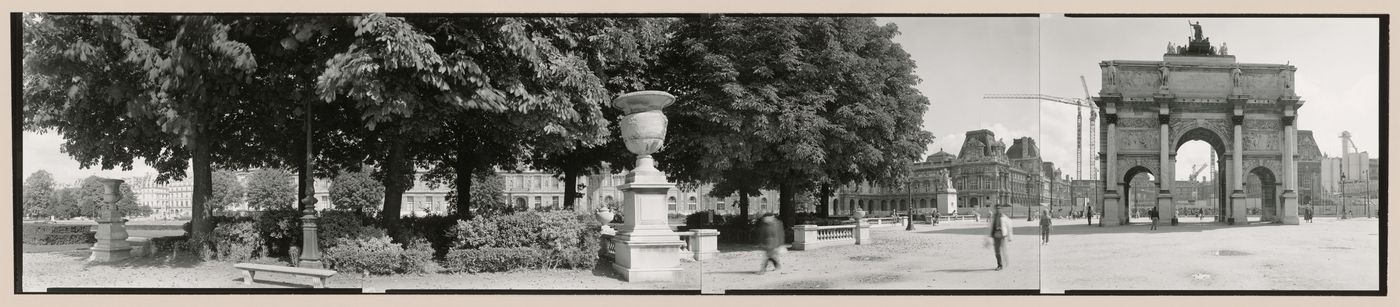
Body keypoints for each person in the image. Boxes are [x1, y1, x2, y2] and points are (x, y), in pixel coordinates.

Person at [989, 205, 1014, 271]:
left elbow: (1009, 227)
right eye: (996, 209)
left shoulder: (1005, 217)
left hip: (1002, 235)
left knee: (1003, 250)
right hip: (995, 235)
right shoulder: (993, 217)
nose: (997, 210)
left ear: (1001, 209)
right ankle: (1000, 265)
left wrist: (1010, 236)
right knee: (997, 251)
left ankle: (1005, 261)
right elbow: (990, 226)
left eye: (999, 208)